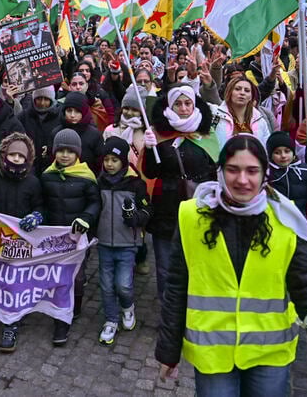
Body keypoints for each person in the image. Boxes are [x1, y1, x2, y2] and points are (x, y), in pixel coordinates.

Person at [155, 135, 307, 396]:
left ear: (265, 174)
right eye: (233, 170)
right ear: (220, 172)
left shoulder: (285, 220)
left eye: (252, 171)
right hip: (214, 354)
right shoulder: (192, 217)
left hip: (269, 352)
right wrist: (168, 351)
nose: (243, 180)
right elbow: (177, 287)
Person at [143, 84, 219, 302]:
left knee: (196, 263)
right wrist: (150, 150)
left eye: (187, 103)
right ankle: (168, 310)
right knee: (165, 266)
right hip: (166, 209)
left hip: (198, 209)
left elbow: (214, 170)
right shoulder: (159, 134)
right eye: (178, 103)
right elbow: (150, 171)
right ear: (170, 105)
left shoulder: (207, 134)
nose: (183, 108)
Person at [0, 132, 44, 354]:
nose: (16, 159)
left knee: (14, 283)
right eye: (12, 154)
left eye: (20, 157)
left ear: (27, 160)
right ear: (4, 155)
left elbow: (41, 206)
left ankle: (10, 324)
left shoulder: (33, 182)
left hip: (21, 242)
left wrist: (37, 216)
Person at [40, 129, 100, 346]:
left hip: (78, 238)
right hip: (55, 238)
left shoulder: (86, 178)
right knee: (57, 277)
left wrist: (86, 218)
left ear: (78, 154)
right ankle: (60, 317)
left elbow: (95, 203)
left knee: (76, 277)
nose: (65, 155)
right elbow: (43, 203)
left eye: (69, 151)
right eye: (61, 151)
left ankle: (75, 304)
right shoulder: (47, 176)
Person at [95, 137, 149, 346]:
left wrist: (137, 218)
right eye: (106, 159)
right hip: (104, 243)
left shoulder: (136, 184)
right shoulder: (99, 183)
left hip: (128, 243)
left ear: (123, 161)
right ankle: (110, 320)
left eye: (114, 160)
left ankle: (128, 307)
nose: (109, 164)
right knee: (107, 285)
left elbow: (147, 208)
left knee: (123, 285)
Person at [216, 73, 272, 149]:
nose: (242, 93)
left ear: (251, 97)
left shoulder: (260, 120)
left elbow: (267, 149)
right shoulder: (216, 116)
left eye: (247, 90)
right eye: (237, 89)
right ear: (230, 92)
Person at [52, 91, 104, 173]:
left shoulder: (94, 135)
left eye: (77, 111)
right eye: (69, 110)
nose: (72, 115)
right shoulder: (56, 133)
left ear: (84, 113)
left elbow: (99, 164)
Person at [18, 85, 63, 176]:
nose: (42, 103)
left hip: (52, 167)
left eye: (46, 99)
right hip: (29, 166)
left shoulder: (60, 117)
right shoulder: (24, 116)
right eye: (39, 99)